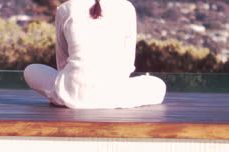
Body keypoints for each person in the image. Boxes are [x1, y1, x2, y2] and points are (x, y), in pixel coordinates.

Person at [24, 0, 166, 109]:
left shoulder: (67, 8)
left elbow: (61, 63)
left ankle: (63, 94)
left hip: (71, 93)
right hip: (115, 95)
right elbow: (128, 64)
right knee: (158, 85)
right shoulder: (126, 8)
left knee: (30, 70)